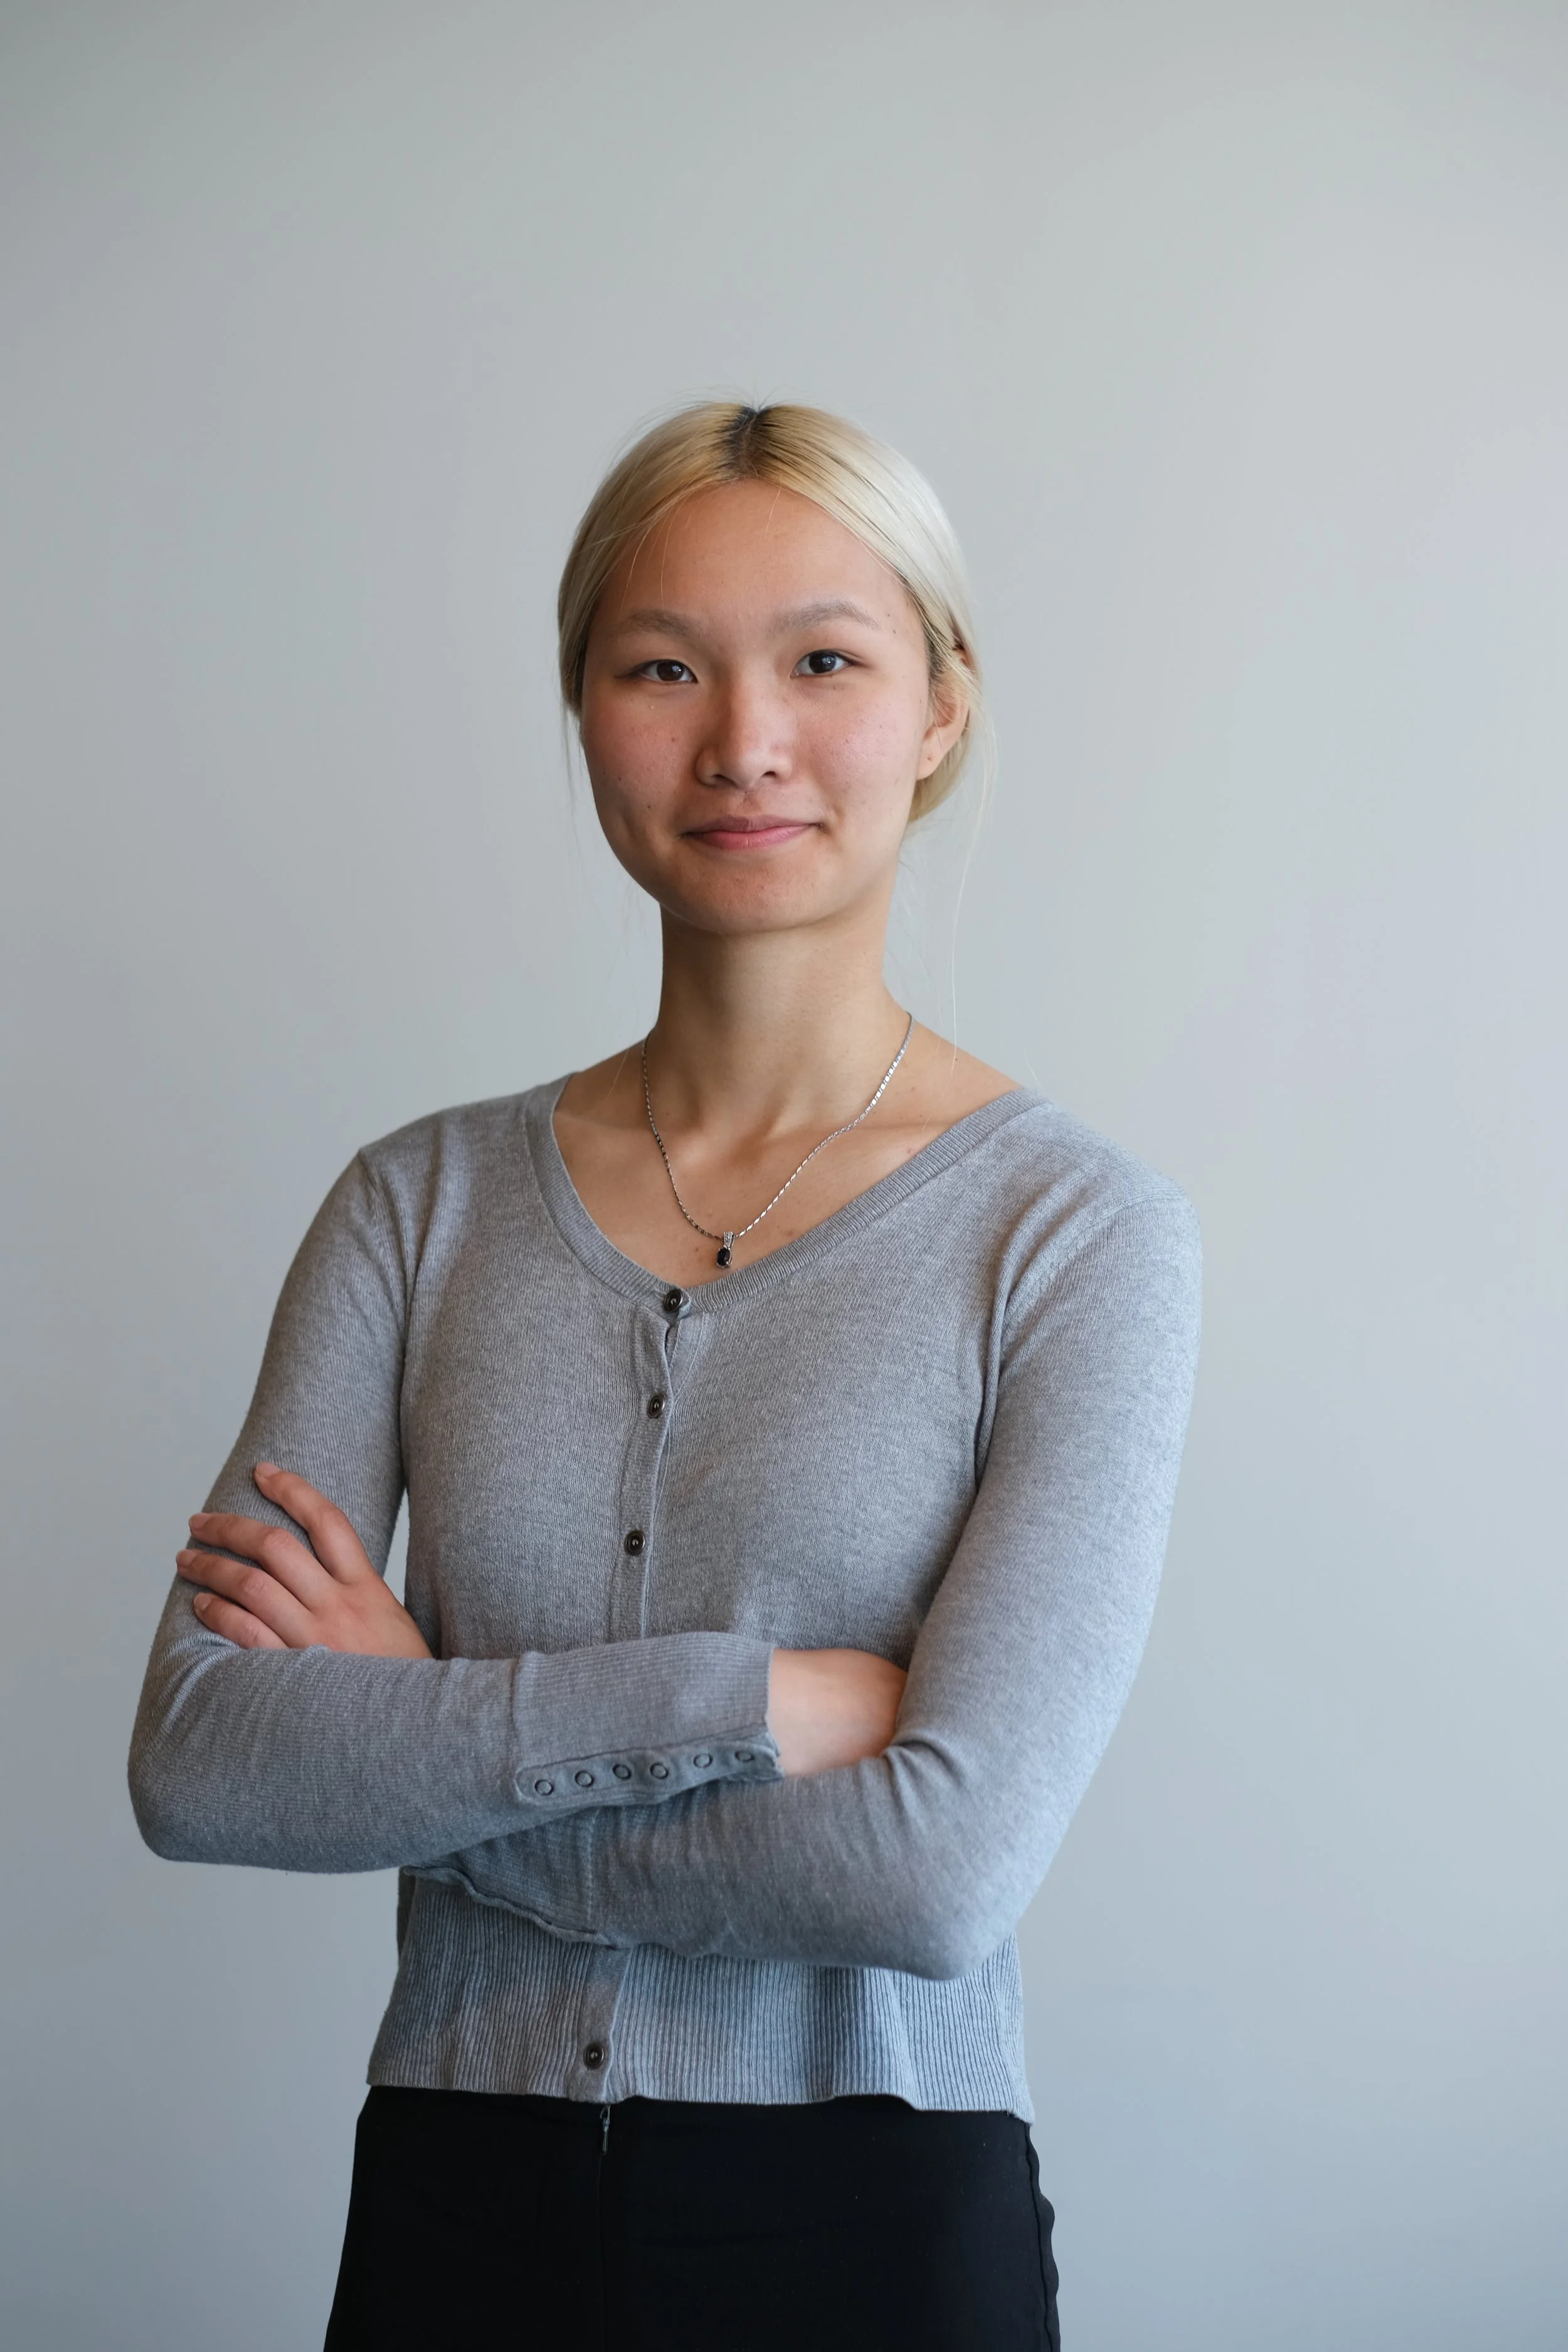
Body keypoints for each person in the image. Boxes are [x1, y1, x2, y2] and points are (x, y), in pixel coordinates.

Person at [129, 400, 1201, 2351]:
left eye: (822, 658)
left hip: (871, 2215)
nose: (742, 742)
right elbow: (206, 1761)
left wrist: (425, 1731)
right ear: (583, 706)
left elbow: (938, 1871)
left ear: (941, 707)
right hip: (455, 2196)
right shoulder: (417, 1203)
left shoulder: (1072, 1233)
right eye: (659, 666)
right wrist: (744, 1703)